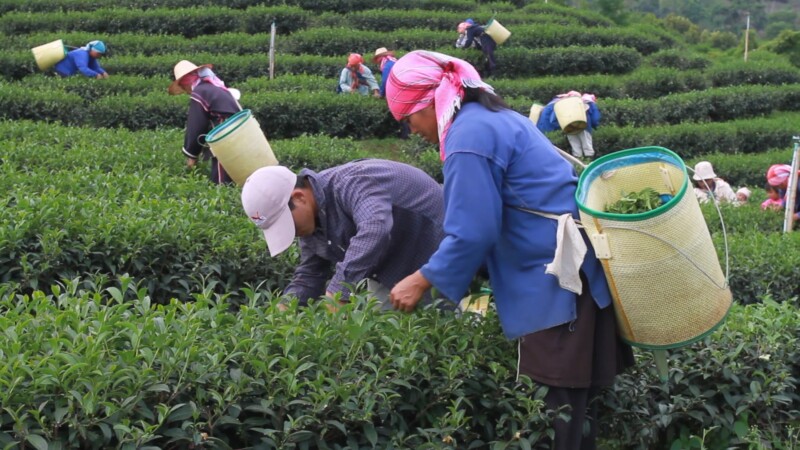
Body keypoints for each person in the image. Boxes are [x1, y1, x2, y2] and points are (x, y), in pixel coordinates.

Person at [384, 50, 633, 450]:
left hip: (556, 286)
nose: (411, 129)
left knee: (556, 414)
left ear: (431, 102)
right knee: (578, 413)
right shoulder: (498, 117)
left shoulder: (468, 137)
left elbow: (472, 231)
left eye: (408, 117)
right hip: (581, 276)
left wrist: (420, 279)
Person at [240, 159, 450, 310]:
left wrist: (338, 291)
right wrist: (283, 311)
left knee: (437, 327)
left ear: (299, 197)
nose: (293, 234)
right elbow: (310, 274)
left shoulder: (351, 183)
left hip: (433, 247)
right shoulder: (312, 223)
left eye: (288, 224)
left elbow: (375, 228)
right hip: (391, 264)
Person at [168, 60, 242, 185]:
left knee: (222, 184)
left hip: (226, 138)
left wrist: (191, 155)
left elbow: (196, 127)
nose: (185, 91)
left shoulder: (200, 92)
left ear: (186, 82)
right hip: (243, 134)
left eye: (182, 86)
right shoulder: (215, 87)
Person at [373, 47, 410, 139]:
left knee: (401, 113)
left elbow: (385, 81)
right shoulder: (394, 62)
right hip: (406, 88)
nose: (377, 61)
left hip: (399, 91)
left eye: (377, 58)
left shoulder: (387, 65)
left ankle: (405, 135)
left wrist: (381, 94)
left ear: (382, 57)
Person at [565, 93, 601, 160]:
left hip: (569, 127)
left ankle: (578, 166)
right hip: (584, 126)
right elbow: (595, 118)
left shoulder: (565, 106)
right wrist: (595, 126)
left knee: (576, 149)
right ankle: (588, 163)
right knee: (587, 147)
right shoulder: (589, 103)